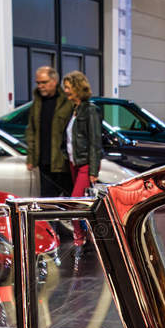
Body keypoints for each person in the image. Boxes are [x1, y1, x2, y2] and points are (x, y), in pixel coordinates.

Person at [62, 71, 102, 244]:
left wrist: (93, 170)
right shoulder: (75, 110)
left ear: (78, 88)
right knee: (81, 206)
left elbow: (95, 142)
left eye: (68, 87)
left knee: (75, 205)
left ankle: (80, 240)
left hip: (85, 165)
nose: (65, 91)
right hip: (74, 163)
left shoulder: (90, 110)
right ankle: (85, 238)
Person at [23, 65, 74, 198]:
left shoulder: (68, 102)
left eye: (44, 82)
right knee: (47, 201)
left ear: (54, 81)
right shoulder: (37, 103)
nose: (40, 86)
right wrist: (31, 157)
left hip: (64, 163)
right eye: (38, 83)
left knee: (70, 200)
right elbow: (31, 131)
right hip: (44, 163)